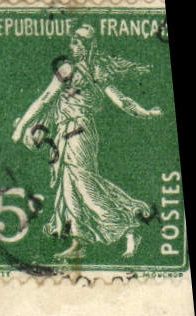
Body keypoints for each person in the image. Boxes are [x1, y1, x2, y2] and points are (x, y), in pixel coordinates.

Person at [10, 25, 162, 258]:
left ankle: (127, 227)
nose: (71, 47)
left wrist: (146, 113)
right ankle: (79, 242)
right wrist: (146, 112)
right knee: (69, 186)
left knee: (83, 184)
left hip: (79, 133)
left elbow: (119, 100)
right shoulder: (82, 70)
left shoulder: (85, 70)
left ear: (85, 46)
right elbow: (47, 98)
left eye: (75, 43)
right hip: (67, 133)